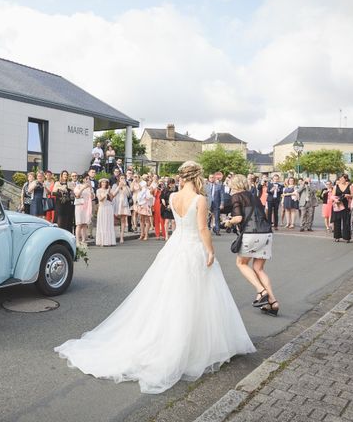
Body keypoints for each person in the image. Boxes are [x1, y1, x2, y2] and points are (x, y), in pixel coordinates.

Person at [55, 161, 255, 394]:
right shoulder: (200, 199)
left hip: (175, 247)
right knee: (194, 295)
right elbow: (202, 229)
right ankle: (191, 347)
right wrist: (211, 250)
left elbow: (179, 225)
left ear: (183, 177)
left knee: (170, 295)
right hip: (192, 248)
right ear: (198, 176)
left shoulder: (172, 197)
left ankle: (178, 340)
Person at [224, 174, 279, 316]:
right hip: (266, 233)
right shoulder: (254, 195)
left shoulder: (237, 196)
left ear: (234, 184)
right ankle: (273, 302)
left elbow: (238, 218)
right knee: (259, 268)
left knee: (241, 263)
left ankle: (261, 291)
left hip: (251, 233)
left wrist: (228, 222)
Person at [74, 174, 93, 246]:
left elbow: (92, 197)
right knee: (79, 224)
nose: (87, 180)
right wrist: (83, 188)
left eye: (88, 179)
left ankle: (83, 240)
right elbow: (77, 195)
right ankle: (77, 241)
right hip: (80, 207)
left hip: (87, 207)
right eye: (86, 178)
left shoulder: (89, 187)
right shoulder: (78, 186)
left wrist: (90, 188)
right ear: (83, 179)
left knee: (85, 224)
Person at [95, 179, 116, 246]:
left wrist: (109, 192)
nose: (104, 183)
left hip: (109, 208)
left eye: (105, 182)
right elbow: (100, 199)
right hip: (102, 208)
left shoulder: (109, 190)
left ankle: (110, 241)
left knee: (108, 224)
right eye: (102, 182)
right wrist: (106, 192)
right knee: (102, 224)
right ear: (100, 183)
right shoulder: (98, 190)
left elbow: (112, 198)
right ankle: (102, 241)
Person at [111, 173, 131, 244]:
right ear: (119, 179)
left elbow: (129, 194)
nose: (122, 179)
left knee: (123, 220)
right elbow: (113, 194)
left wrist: (125, 186)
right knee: (114, 221)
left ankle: (121, 237)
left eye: (123, 178)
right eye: (121, 178)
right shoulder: (115, 185)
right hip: (117, 204)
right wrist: (119, 187)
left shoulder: (126, 186)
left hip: (124, 205)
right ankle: (112, 236)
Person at [332, 174, 352, 243]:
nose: (341, 180)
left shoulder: (349, 186)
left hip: (346, 205)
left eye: (342, 178)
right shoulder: (336, 186)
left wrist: (348, 195)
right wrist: (335, 200)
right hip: (338, 205)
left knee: (346, 221)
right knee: (337, 221)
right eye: (340, 178)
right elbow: (332, 196)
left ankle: (347, 237)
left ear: (346, 179)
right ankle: (337, 236)